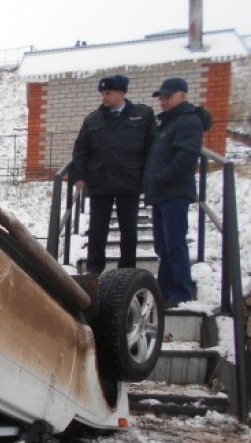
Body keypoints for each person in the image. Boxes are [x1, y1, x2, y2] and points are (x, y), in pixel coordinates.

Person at [71, 74, 157, 274]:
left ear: (121, 93)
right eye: (102, 93)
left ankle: (127, 269)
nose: (104, 97)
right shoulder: (93, 119)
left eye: (108, 93)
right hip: (101, 182)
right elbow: (81, 149)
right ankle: (94, 271)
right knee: (97, 230)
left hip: (130, 181)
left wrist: (146, 174)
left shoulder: (142, 115)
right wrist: (79, 176)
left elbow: (152, 146)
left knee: (129, 229)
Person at [144, 77, 212, 307]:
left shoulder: (188, 121)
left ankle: (181, 292)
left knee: (174, 243)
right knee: (163, 245)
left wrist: (159, 178)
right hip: (162, 193)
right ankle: (165, 290)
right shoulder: (168, 123)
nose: (162, 101)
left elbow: (186, 157)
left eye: (167, 97)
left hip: (174, 192)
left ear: (182, 95)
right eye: (161, 97)